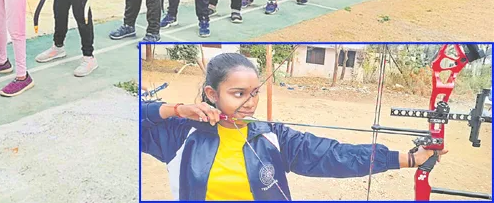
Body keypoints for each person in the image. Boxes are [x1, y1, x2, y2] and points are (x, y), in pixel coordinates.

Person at [141, 52, 447, 201]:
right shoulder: (179, 133)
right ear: (211, 94)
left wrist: (408, 159)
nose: (249, 103)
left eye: (254, 92)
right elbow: (130, 120)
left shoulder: (273, 136)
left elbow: (334, 155)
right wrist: (175, 109)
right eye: (238, 94)